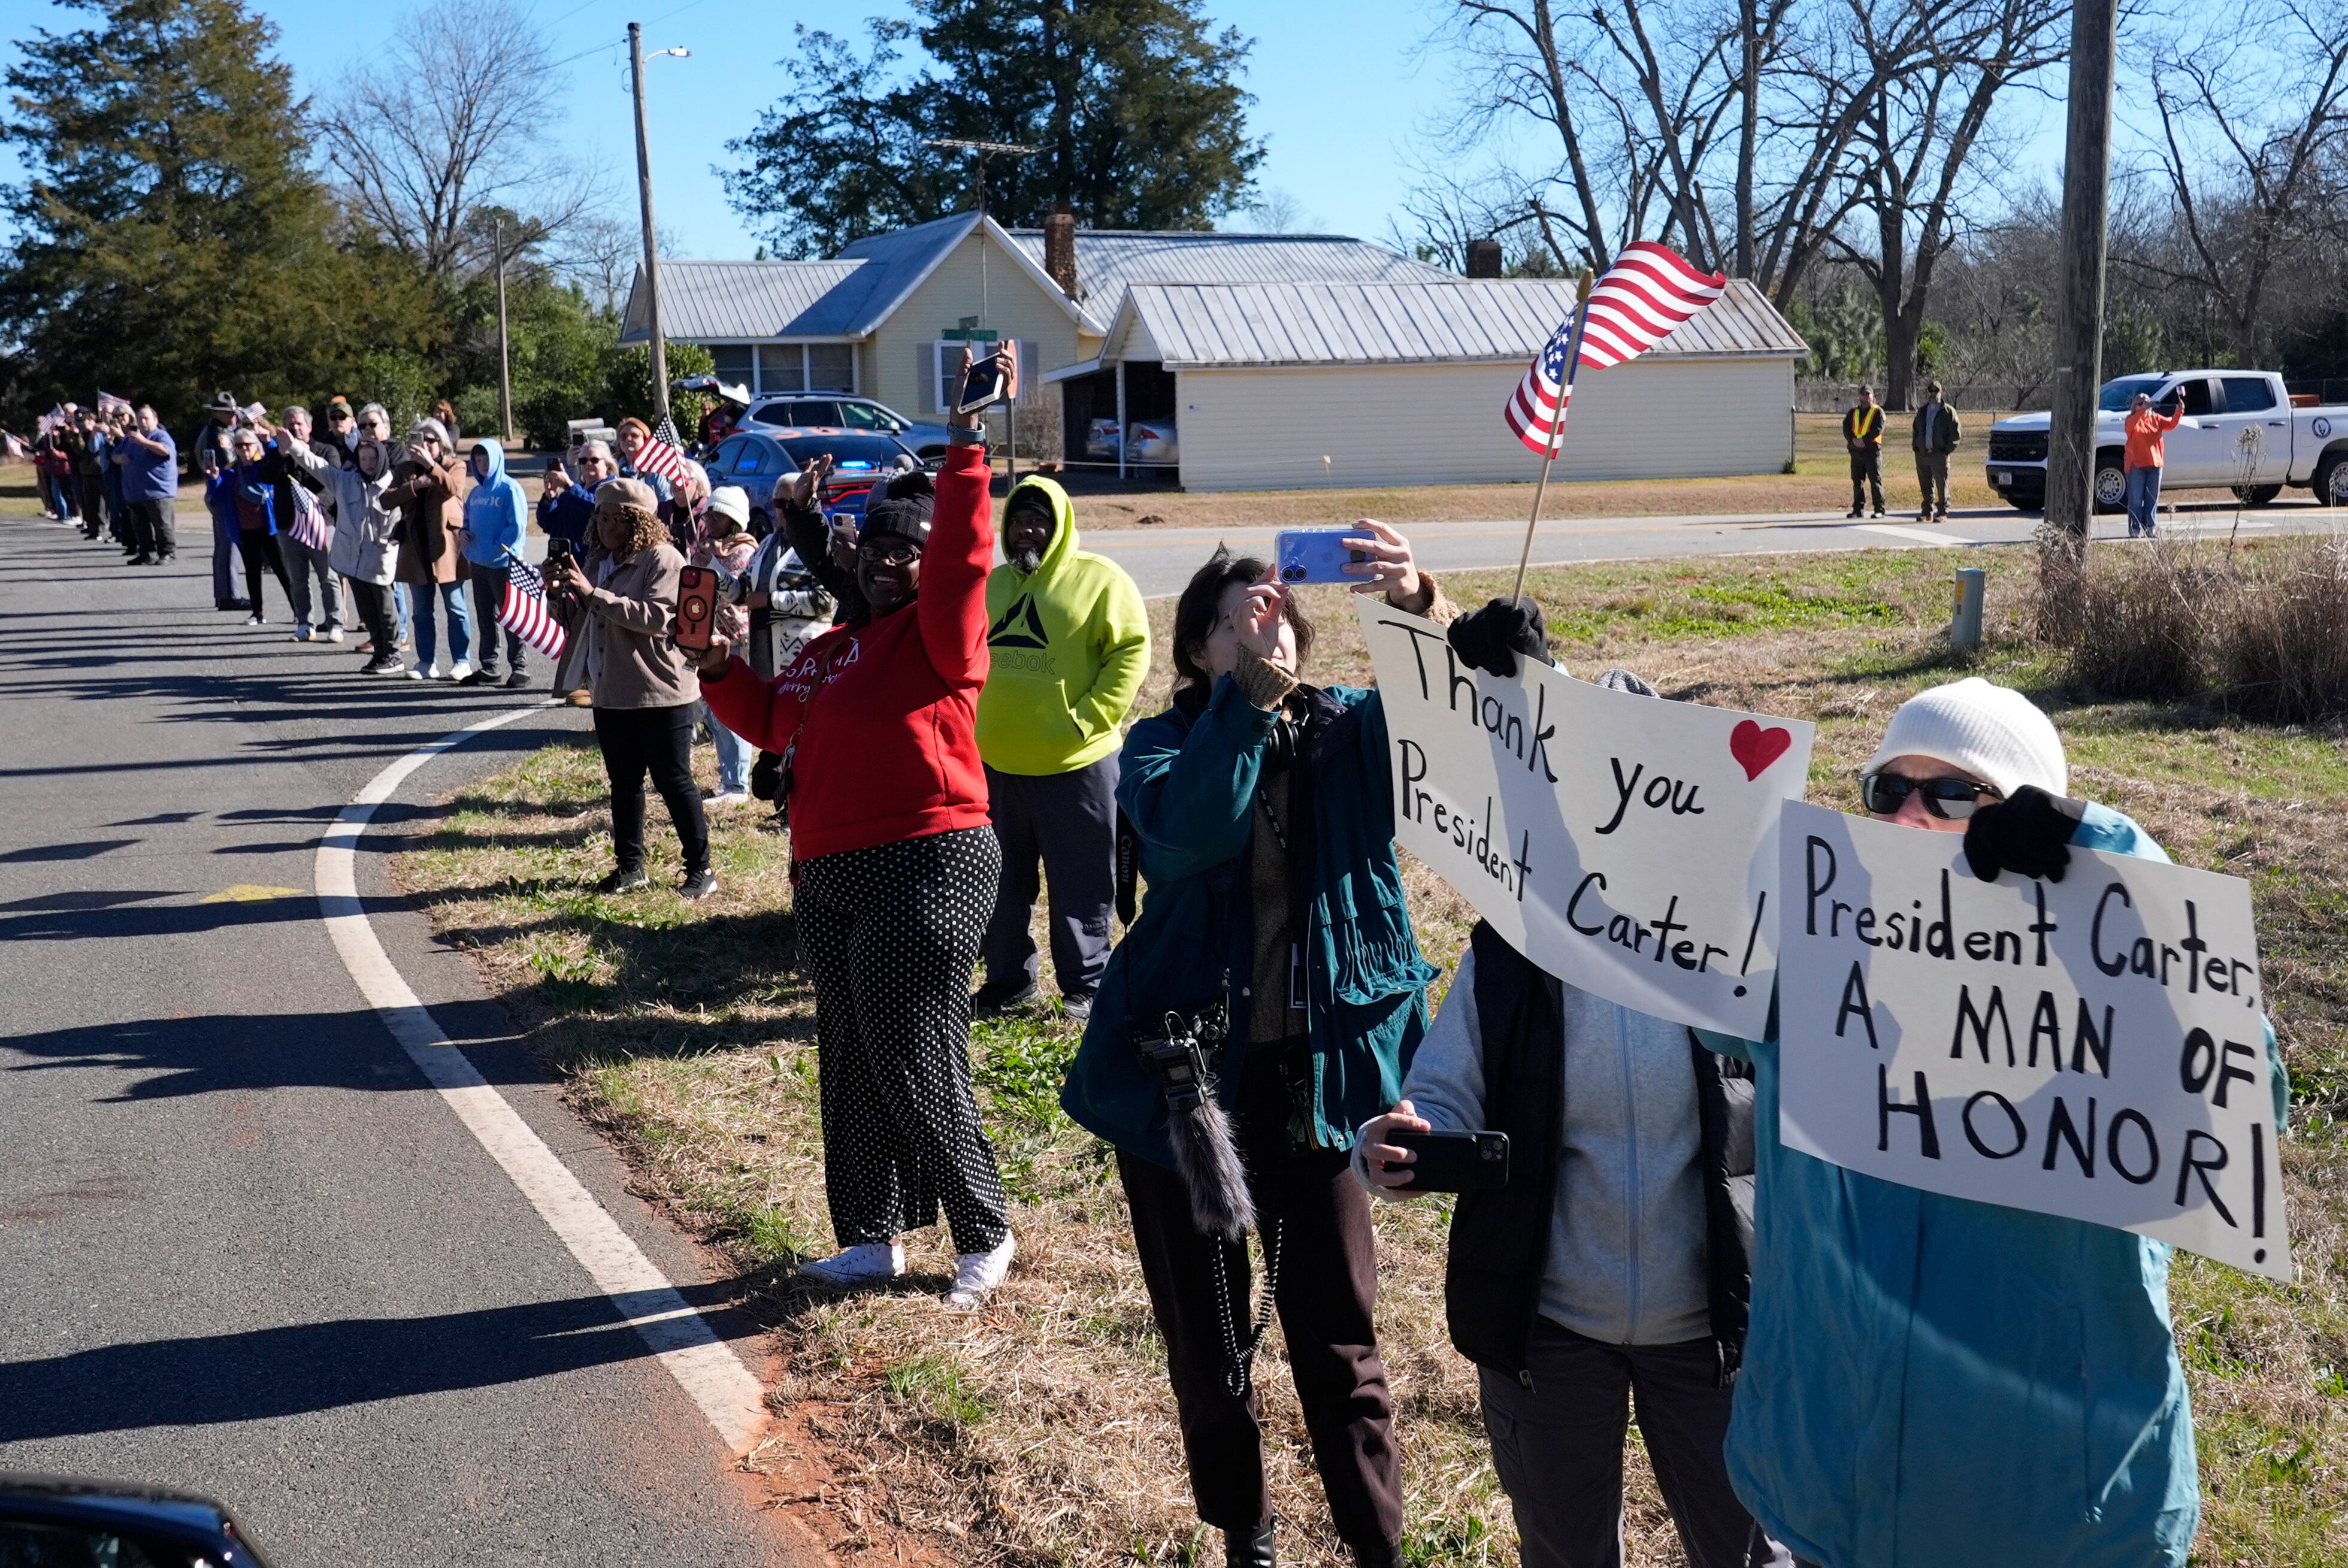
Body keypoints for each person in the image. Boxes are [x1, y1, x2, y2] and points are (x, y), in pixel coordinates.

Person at [1692, 677, 2289, 1568]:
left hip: (2051, 1520)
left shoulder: (2109, 983)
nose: (1912, 815)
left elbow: (2241, 1096)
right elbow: (1675, 947)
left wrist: (2113, 859)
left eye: (1958, 792)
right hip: (1833, 1490)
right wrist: (1524, 692)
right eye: (1890, 789)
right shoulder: (1823, 952)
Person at [1351, 606, 1786, 1568]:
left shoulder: (1738, 948)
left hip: (1715, 1329)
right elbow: (1443, 1092)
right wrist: (1403, 1137)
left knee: (1751, 1554)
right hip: (1550, 1334)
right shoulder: (1513, 946)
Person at [1057, 526, 1449, 1568]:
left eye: (1279, 611)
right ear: (1197, 649)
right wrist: (1245, 708)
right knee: (1211, 1343)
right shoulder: (1161, 745)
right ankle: (1247, 1530)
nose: (1266, 627)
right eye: (1241, 618)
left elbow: (1448, 729)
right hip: (1186, 1096)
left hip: (1317, 1087)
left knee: (1343, 1344)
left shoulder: (1353, 731)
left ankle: (1379, 1549)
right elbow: (1190, 834)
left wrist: (1417, 606)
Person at [694, 376, 1018, 1310]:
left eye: (906, 552)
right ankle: (871, 1237)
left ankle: (984, 1228)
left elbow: (961, 556)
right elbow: (768, 720)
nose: (889, 564)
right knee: (850, 1051)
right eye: (877, 549)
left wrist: (964, 442)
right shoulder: (832, 647)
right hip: (827, 864)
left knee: (912, 1044)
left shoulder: (943, 635)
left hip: (930, 856)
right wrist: (716, 665)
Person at [970, 476, 1149, 1022]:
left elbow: (1131, 650)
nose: (1028, 528)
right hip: (997, 767)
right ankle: (1008, 984)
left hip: (1078, 765)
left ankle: (1086, 988)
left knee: (1082, 884)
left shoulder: (1100, 581)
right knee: (999, 884)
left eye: (1040, 519)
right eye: (1019, 518)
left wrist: (1087, 721)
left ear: (1061, 526)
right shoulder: (990, 585)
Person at [547, 477, 715, 900]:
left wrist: (594, 593)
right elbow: (581, 619)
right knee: (623, 783)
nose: (604, 526)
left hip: (662, 691)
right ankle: (630, 867)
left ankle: (701, 869)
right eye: (600, 518)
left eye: (615, 519)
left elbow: (661, 618)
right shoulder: (602, 561)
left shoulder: (663, 559)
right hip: (612, 691)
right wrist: (560, 593)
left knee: (674, 780)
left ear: (638, 520)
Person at [283, 417, 403, 675]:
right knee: (367, 611)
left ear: (380, 459)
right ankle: (379, 653)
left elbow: (395, 526)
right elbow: (319, 466)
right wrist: (293, 446)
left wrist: (385, 548)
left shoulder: (392, 487)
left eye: (372, 459)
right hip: (352, 561)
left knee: (385, 611)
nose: (368, 464)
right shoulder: (347, 482)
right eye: (364, 460)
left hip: (378, 560)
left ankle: (393, 654)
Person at [686, 484, 759, 807]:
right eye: (709, 514)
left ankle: (738, 783)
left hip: (736, 639)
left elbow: (732, 591)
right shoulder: (708, 549)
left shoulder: (743, 550)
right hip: (712, 636)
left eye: (718, 515)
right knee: (715, 712)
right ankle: (727, 775)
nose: (710, 521)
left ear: (733, 519)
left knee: (733, 712)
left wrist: (712, 561)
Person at [383, 417, 471, 681]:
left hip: (445, 549)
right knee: (422, 611)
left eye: (431, 440)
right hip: (416, 548)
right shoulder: (405, 469)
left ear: (442, 444)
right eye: (421, 439)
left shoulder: (455, 465)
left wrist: (431, 467)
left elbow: (453, 489)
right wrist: (414, 485)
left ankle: (462, 661)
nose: (425, 445)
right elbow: (386, 500)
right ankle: (426, 662)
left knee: (456, 608)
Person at [456, 437, 532, 688]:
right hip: (478, 564)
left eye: (486, 459)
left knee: (511, 617)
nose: (482, 465)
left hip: (503, 565)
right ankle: (489, 666)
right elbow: (467, 519)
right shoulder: (476, 492)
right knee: (485, 617)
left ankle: (519, 667)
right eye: (477, 460)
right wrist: (462, 533)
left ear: (497, 459)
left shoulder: (509, 488)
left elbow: (518, 526)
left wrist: (499, 546)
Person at [268, 407, 343, 643]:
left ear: (310, 427)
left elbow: (330, 478)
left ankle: (335, 623)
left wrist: (298, 452)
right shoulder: (277, 453)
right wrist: (282, 454)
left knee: (328, 576)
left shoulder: (326, 451)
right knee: (297, 578)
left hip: (322, 521)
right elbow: (265, 476)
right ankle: (304, 623)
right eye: (290, 425)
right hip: (289, 524)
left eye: (299, 424)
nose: (295, 428)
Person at [226, 427, 294, 625]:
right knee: (252, 571)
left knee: (282, 570)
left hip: (268, 526)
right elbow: (219, 494)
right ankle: (258, 613)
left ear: (255, 446)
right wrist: (213, 478)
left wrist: (269, 440)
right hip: (245, 528)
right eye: (239, 445)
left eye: (248, 444)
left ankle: (299, 611)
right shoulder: (231, 469)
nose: (244, 449)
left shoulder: (263, 464)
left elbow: (276, 456)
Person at [192, 391, 247, 612]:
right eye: (227, 413)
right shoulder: (217, 435)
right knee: (228, 544)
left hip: (223, 490)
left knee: (228, 543)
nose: (233, 417)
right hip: (224, 491)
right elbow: (229, 461)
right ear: (216, 413)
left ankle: (226, 594)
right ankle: (228, 596)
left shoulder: (218, 431)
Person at [116, 405, 178, 566]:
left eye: (146, 418)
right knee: (140, 526)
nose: (143, 422)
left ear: (155, 420)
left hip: (158, 492)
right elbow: (115, 454)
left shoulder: (160, 436)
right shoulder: (131, 439)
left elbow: (165, 451)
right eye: (140, 419)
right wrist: (119, 458)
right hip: (135, 492)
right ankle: (146, 554)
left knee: (162, 525)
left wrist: (144, 442)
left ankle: (167, 553)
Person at [2123, 389, 2188, 539]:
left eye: (2146, 402)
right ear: (2135, 406)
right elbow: (2130, 428)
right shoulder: (2130, 419)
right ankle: (2135, 528)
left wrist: (2179, 411)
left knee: (2152, 499)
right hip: (2136, 465)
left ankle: (2150, 527)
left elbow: (2171, 424)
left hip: (2155, 463)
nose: (2144, 405)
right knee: (2136, 499)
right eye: (2140, 403)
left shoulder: (2156, 419)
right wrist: (2141, 411)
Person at [1910, 381, 1961, 522]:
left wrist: (1947, 450)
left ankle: (1943, 512)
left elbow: (1955, 434)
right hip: (1923, 454)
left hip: (1939, 454)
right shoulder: (1922, 411)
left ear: (1941, 392)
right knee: (1925, 484)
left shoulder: (1948, 411)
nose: (1933, 394)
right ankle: (1927, 512)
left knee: (1941, 483)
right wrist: (1916, 447)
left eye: (1936, 391)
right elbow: (1916, 430)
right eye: (1931, 391)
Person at [613, 416, 676, 517]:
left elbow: (666, 504)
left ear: (646, 440)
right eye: (623, 436)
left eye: (634, 436)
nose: (628, 439)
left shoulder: (656, 470)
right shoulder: (613, 469)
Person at [1843, 386, 1886, 519]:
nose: (1865, 398)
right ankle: (1858, 509)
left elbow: (1878, 429)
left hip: (1872, 452)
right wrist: (1853, 440)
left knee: (1875, 481)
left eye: (1868, 395)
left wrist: (1864, 441)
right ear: (1860, 396)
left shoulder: (1878, 412)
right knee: (1857, 481)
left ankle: (1879, 509)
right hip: (1856, 452)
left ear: (1873, 397)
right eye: (1863, 395)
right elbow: (1846, 428)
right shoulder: (1853, 412)